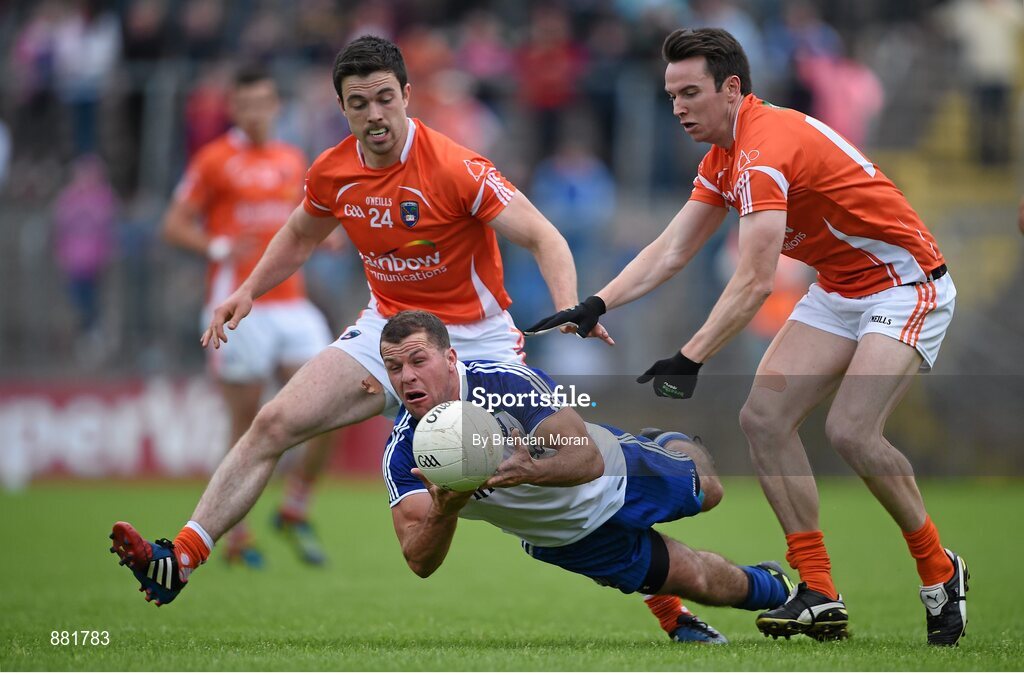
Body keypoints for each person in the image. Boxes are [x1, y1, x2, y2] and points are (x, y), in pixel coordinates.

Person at [527, 28, 968, 646]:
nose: (678, 107)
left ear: (732, 89)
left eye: (690, 93)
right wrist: (596, 302)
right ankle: (819, 591)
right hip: (842, 289)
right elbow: (672, 248)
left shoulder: (761, 150)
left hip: (906, 283)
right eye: (671, 95)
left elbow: (757, 279)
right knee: (763, 419)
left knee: (851, 431)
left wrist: (690, 355)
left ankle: (939, 570)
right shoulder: (723, 157)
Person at [108, 35, 578, 608]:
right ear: (343, 108)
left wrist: (569, 308)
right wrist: (249, 289)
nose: (375, 114)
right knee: (272, 423)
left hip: (476, 344)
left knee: (551, 472)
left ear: (407, 95)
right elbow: (302, 234)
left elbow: (543, 236)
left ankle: (663, 593)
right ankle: (180, 556)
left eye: (385, 98)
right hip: (388, 335)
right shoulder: (332, 172)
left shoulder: (458, 167)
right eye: (359, 103)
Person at [380, 310, 795, 644]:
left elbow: (586, 460)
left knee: (710, 491)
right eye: (394, 367)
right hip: (564, 537)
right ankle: (782, 592)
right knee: (699, 580)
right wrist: (443, 511)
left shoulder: (503, 384)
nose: (407, 376)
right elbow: (419, 560)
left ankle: (668, 442)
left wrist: (530, 471)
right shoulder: (404, 452)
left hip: (613, 473)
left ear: (450, 359)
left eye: (419, 361)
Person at [160, 64, 339, 566]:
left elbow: (306, 224)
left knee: (334, 406)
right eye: (247, 103)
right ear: (234, 109)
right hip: (240, 304)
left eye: (264, 102)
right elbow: (172, 225)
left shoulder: (291, 158)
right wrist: (217, 244)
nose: (257, 111)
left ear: (275, 106)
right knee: (245, 422)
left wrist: (330, 239)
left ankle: (296, 507)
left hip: (294, 304)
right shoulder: (213, 160)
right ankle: (233, 536)